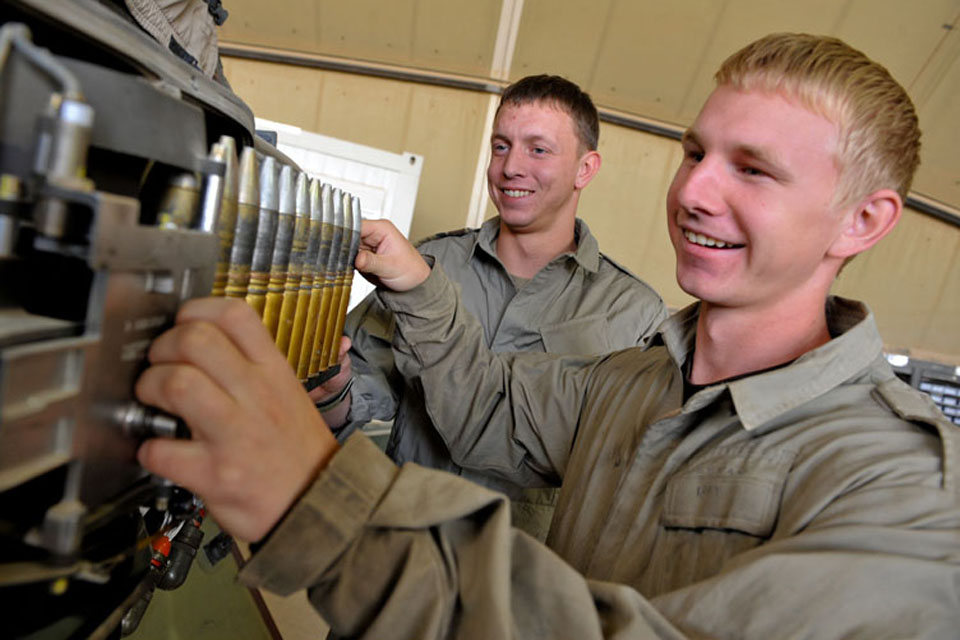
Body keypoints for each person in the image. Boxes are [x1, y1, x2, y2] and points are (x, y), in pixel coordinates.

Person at [136, 33, 960, 638]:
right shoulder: (630, 384)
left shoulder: (902, 490)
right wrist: (413, 294)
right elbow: (487, 402)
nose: (695, 191)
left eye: (752, 169)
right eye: (694, 152)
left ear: (862, 220)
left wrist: (319, 500)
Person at [312, 74, 666, 540]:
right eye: (501, 146)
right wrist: (332, 389)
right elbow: (356, 397)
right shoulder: (431, 265)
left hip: (517, 588)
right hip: (398, 557)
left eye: (538, 149)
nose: (510, 167)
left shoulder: (632, 314)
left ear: (585, 168)